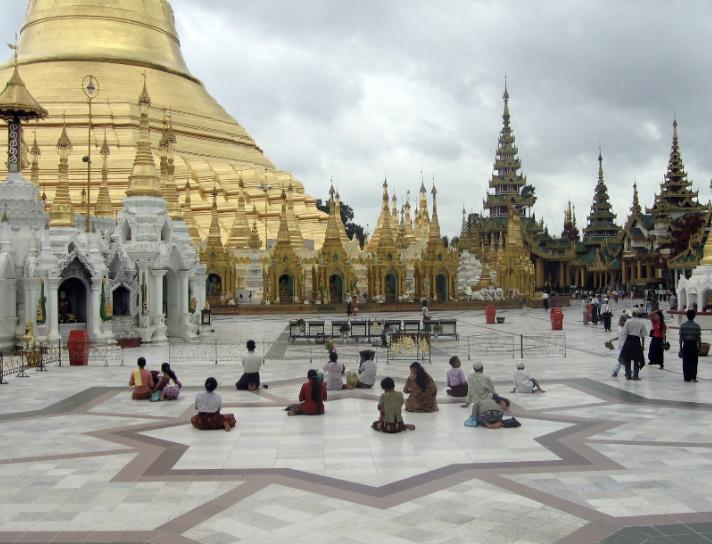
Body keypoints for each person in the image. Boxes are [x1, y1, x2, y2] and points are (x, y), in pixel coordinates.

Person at [620, 309, 647, 380]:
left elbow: (625, 333)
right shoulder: (641, 322)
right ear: (638, 314)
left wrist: (624, 343)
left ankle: (628, 375)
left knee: (627, 359)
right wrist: (643, 345)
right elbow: (643, 335)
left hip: (628, 341)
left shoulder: (628, 321)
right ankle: (635, 376)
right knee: (637, 359)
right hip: (636, 341)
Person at [679, 309, 702, 382]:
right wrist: (699, 346)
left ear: (687, 316)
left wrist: (681, 348)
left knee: (686, 361)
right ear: (694, 316)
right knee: (694, 361)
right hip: (693, 345)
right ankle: (693, 377)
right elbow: (698, 338)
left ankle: (686, 377)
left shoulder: (683, 325)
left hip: (686, 344)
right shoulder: (697, 326)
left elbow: (681, 338)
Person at [607, 310, 631, 377]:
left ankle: (615, 372)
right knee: (623, 359)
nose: (619, 321)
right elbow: (618, 337)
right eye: (620, 320)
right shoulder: (619, 328)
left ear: (624, 321)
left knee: (621, 359)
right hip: (620, 346)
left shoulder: (628, 328)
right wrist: (612, 340)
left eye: (621, 320)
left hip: (626, 346)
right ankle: (628, 371)